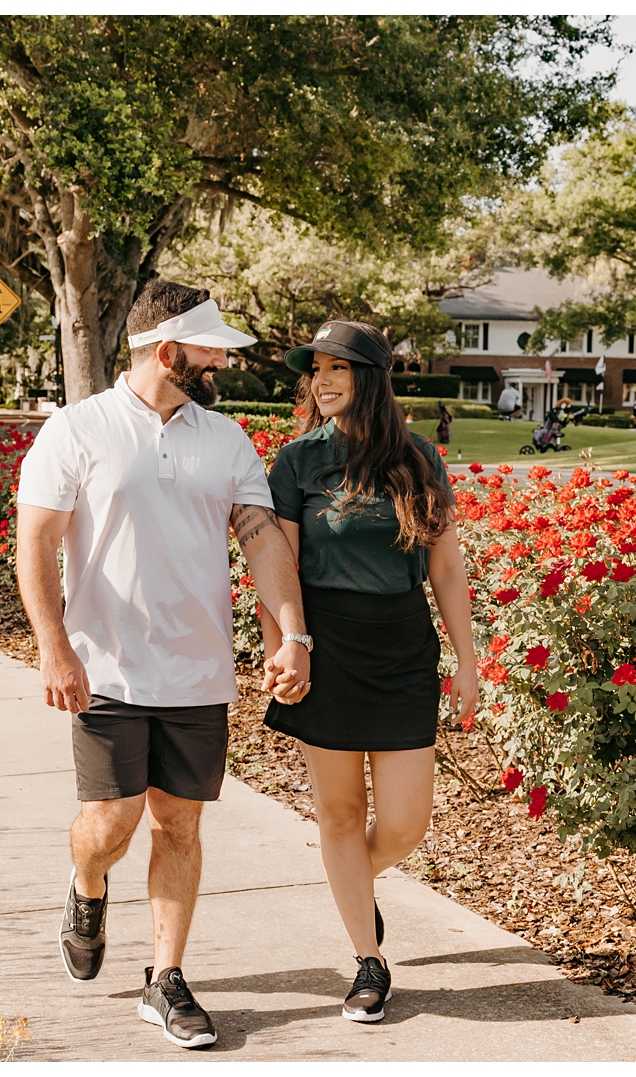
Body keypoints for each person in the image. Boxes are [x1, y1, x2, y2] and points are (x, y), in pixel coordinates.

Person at [16, 280, 309, 1050]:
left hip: (197, 673)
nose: (222, 362)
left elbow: (262, 540)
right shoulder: (77, 431)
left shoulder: (226, 439)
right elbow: (37, 543)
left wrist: (292, 634)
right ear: (169, 349)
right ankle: (87, 888)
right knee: (110, 825)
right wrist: (55, 646)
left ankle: (165, 978)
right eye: (210, 349)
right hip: (106, 669)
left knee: (178, 823)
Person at [259, 320, 479, 1023]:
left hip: (403, 645)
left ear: (372, 379)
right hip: (329, 645)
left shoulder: (419, 457)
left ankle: (352, 880)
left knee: (408, 821)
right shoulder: (296, 462)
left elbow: (445, 565)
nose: (320, 381)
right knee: (341, 813)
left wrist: (468, 664)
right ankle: (367, 959)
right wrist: (287, 645)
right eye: (314, 369)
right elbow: (280, 568)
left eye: (337, 369)